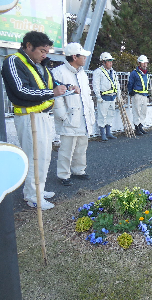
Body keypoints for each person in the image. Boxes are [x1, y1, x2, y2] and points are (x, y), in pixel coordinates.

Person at [1, 31, 80, 210]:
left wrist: (67, 87)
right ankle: (32, 195)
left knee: (44, 156)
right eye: (42, 51)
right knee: (34, 156)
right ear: (28, 46)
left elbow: (52, 84)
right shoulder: (14, 61)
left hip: (43, 116)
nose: (45, 55)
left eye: (47, 51)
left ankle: (39, 189)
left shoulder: (40, 65)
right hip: (29, 117)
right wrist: (52, 93)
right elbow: (21, 90)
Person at [52, 43, 95, 186]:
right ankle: (63, 175)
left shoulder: (82, 73)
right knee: (66, 148)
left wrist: (91, 114)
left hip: (83, 116)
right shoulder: (59, 72)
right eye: (82, 56)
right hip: (69, 117)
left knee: (81, 146)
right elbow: (57, 99)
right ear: (75, 57)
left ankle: (79, 170)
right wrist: (63, 117)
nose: (84, 58)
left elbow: (87, 96)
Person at [92, 52, 121, 141]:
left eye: (111, 61)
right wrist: (98, 96)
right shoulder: (98, 72)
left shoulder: (113, 72)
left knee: (110, 114)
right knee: (102, 115)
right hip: (103, 97)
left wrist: (118, 95)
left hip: (112, 96)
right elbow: (95, 84)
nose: (110, 63)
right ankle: (103, 134)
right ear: (104, 62)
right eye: (108, 61)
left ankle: (108, 132)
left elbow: (117, 84)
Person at [127, 55, 150, 135]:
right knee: (136, 111)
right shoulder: (134, 73)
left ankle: (140, 126)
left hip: (144, 95)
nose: (144, 64)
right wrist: (130, 91)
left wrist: (148, 93)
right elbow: (130, 83)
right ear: (139, 63)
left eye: (146, 63)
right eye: (143, 63)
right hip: (137, 95)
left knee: (143, 111)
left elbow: (146, 84)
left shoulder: (146, 73)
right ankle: (137, 128)